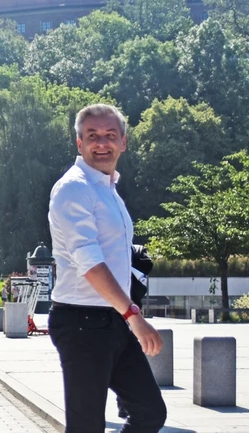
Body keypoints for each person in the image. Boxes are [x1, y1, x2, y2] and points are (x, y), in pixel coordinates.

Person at [47, 104, 167, 433]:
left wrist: (126, 309)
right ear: (79, 144)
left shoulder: (106, 188)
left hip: (113, 318)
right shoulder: (74, 189)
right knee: (86, 426)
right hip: (81, 321)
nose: (102, 143)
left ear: (123, 143)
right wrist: (133, 316)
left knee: (149, 413)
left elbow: (115, 255)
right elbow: (89, 261)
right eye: (93, 136)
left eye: (110, 136)